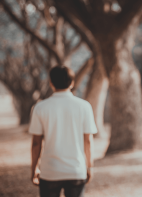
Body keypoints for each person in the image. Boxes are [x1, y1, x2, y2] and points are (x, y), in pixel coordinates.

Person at [29, 65, 97, 197]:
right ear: (72, 83)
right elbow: (88, 141)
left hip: (49, 171)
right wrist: (89, 167)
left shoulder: (40, 108)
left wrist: (34, 169)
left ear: (51, 83)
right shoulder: (84, 107)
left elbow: (36, 143)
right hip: (76, 170)